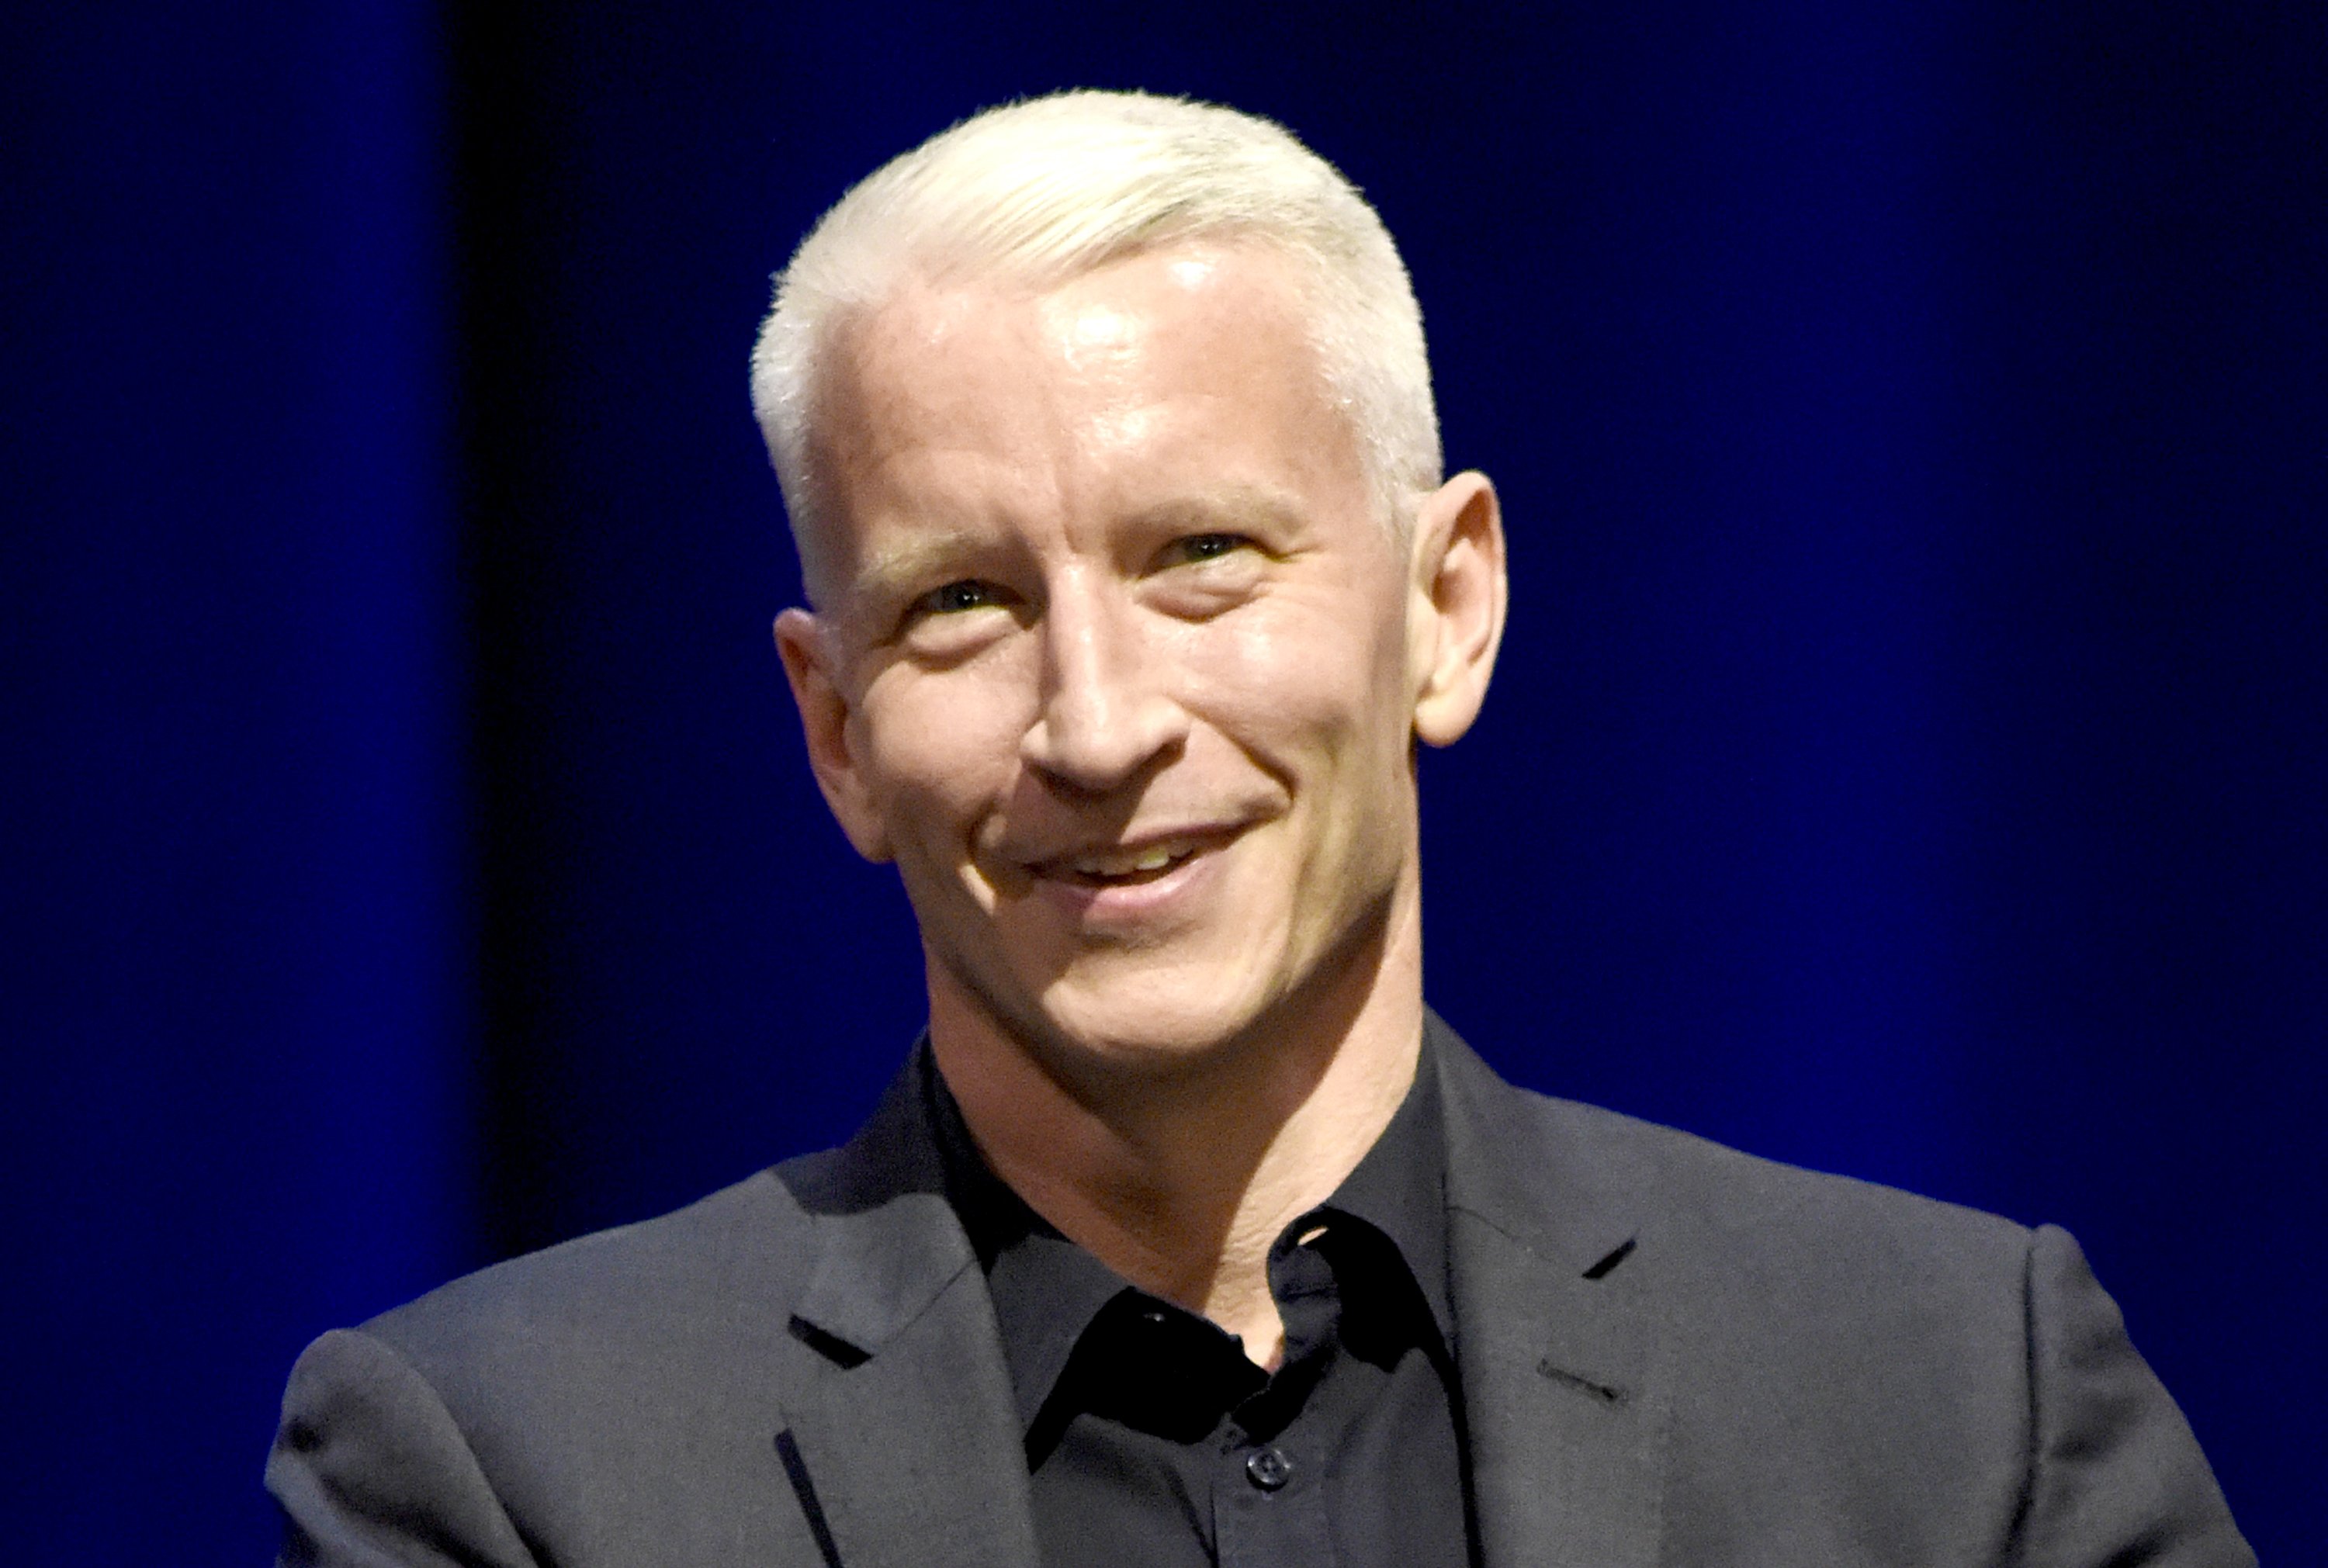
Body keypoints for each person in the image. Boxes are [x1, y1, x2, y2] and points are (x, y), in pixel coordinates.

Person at [266, 91, 2250, 1567]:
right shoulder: (503, 1475)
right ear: (835, 728)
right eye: (963, 599)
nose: (1102, 723)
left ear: (1444, 605)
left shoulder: (1960, 1407)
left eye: (1202, 555)